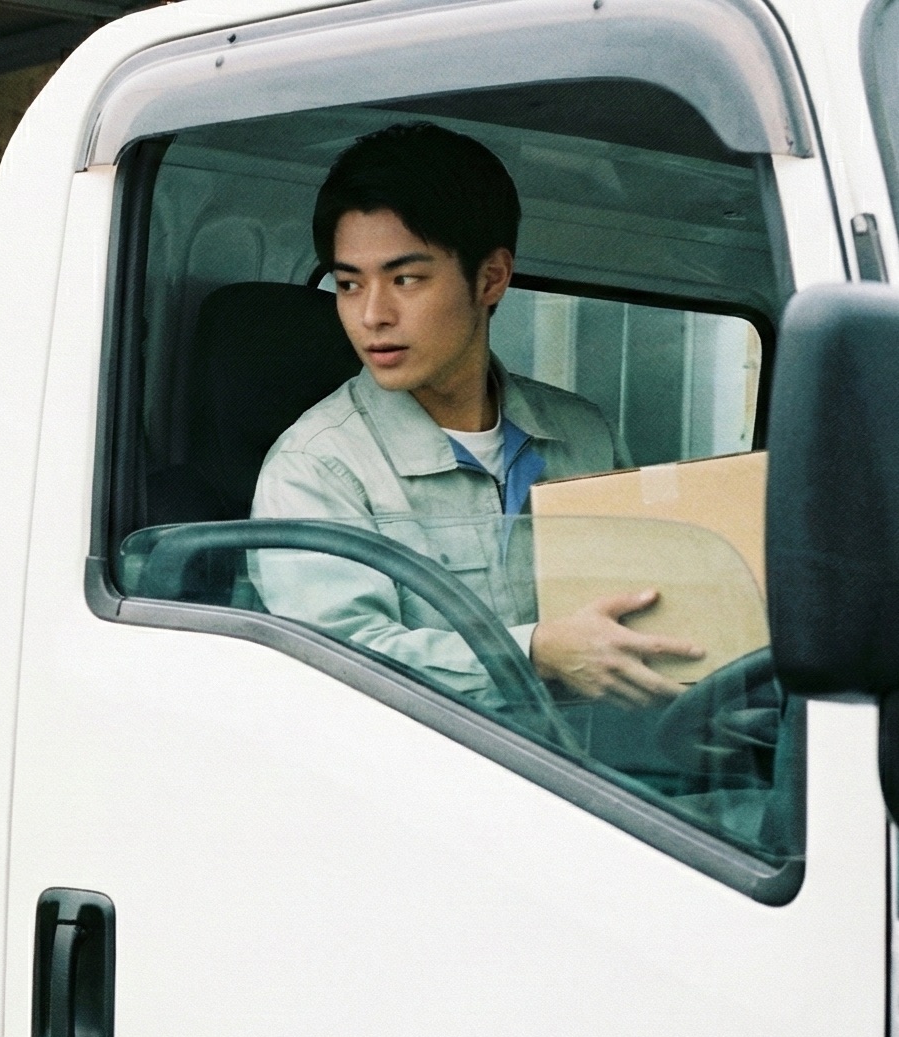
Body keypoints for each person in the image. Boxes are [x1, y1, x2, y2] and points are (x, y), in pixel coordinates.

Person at [251, 122, 703, 705]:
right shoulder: (316, 467)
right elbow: (338, 665)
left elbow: (649, 603)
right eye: (348, 285)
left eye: (405, 279)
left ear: (490, 279)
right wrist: (535, 653)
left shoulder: (582, 433)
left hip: (598, 753)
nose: (372, 315)